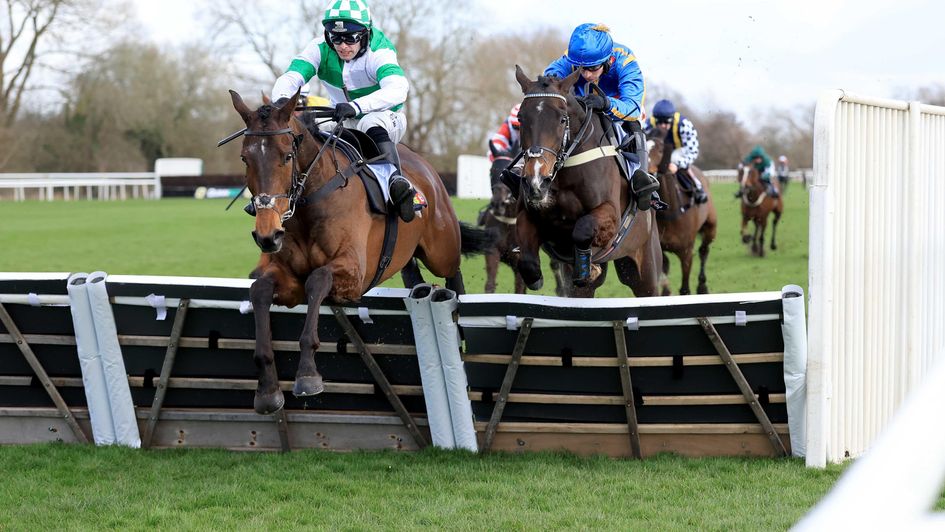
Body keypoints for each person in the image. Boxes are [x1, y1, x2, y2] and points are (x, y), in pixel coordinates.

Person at [271, 0, 416, 222]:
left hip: (385, 117)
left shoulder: (380, 50)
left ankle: (396, 182)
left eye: (351, 38)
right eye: (336, 37)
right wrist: (281, 102)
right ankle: (276, 194)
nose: (342, 46)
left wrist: (357, 107)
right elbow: (292, 76)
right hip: (340, 115)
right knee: (304, 127)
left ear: (365, 33)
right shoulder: (319, 47)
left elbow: (398, 89)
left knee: (369, 123)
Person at [544, 23, 660, 212]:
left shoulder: (626, 61)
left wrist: (606, 104)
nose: (587, 74)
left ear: (607, 60)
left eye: (593, 68)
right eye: (582, 69)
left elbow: (633, 107)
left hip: (619, 110)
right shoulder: (571, 57)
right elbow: (549, 79)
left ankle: (642, 180)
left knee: (635, 125)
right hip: (582, 107)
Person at [645, 99, 708, 204]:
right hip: (658, 151)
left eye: (666, 122)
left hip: (678, 150)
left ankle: (697, 187)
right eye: (659, 122)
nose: (663, 126)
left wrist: (678, 165)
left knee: (673, 157)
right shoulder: (647, 124)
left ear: (672, 119)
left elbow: (693, 151)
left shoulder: (684, 125)